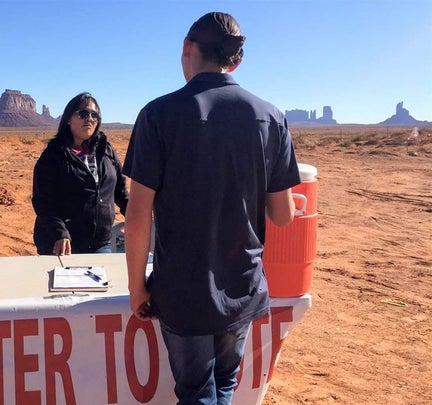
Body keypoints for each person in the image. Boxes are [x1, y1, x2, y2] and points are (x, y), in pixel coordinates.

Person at [122, 12, 301, 404]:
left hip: (183, 291)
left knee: (197, 393)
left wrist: (137, 289)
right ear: (235, 61)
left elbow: (136, 220)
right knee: (224, 384)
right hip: (243, 284)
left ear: (188, 48)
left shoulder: (158, 114)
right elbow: (284, 215)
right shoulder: (270, 117)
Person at [32, 92, 129, 255]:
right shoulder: (54, 155)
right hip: (62, 245)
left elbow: (119, 191)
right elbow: (43, 202)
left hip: (101, 242)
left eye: (94, 115)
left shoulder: (105, 150)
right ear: (68, 119)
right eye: (83, 113)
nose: (90, 118)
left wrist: (139, 215)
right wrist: (60, 232)